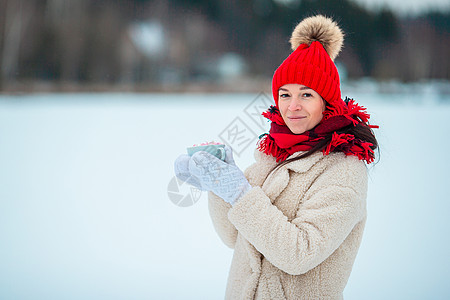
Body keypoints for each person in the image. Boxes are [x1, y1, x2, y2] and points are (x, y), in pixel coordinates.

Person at [174, 15, 378, 300]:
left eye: (306, 95)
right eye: (285, 94)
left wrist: (239, 192)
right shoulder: (275, 154)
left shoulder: (344, 169)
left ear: (327, 101)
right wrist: (220, 184)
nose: (292, 106)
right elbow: (234, 238)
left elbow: (299, 254)